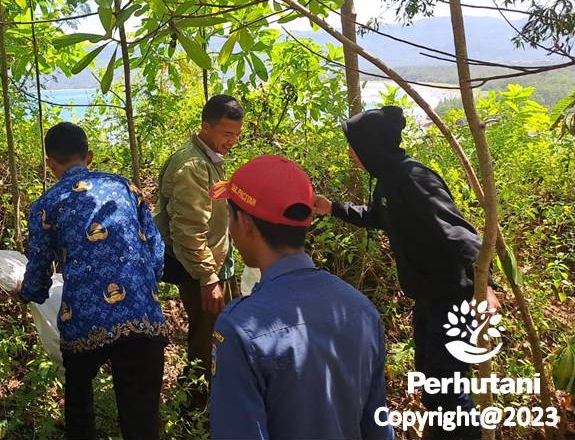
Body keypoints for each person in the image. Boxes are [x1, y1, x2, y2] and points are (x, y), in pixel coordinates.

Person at [313, 106, 500, 440]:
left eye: (353, 146)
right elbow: (377, 215)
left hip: (453, 298)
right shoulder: (388, 180)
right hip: (428, 298)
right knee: (432, 379)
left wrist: (485, 287)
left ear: (371, 145)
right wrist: (334, 208)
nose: (351, 154)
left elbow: (459, 233)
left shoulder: (413, 178)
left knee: (447, 387)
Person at [209, 155, 391, 440]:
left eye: (229, 215)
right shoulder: (361, 310)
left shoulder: (239, 329)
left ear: (243, 222)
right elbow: (377, 426)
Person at [19, 122, 169, 440]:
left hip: (84, 322)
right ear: (89, 156)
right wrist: (143, 289)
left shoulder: (46, 207)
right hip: (142, 318)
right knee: (141, 419)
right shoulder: (125, 188)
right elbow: (157, 250)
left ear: (49, 163)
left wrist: (28, 292)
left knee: (80, 413)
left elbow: (38, 274)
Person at [154, 94, 244, 412]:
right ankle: (195, 408)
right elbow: (189, 229)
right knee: (206, 339)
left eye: (236, 134)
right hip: (201, 269)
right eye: (226, 134)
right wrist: (208, 277)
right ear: (206, 126)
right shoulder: (191, 165)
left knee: (223, 332)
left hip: (217, 263)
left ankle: (217, 399)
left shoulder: (209, 160)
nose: (232, 141)